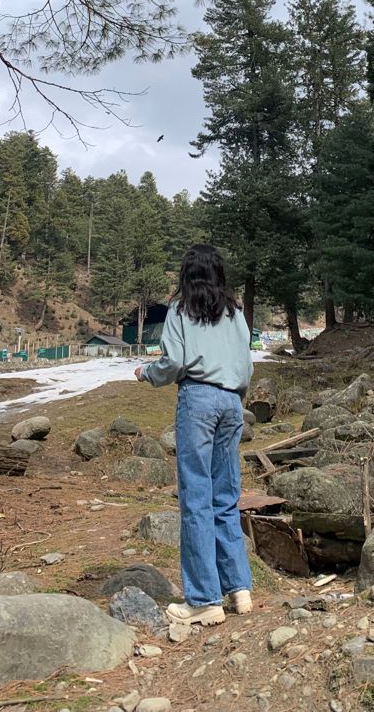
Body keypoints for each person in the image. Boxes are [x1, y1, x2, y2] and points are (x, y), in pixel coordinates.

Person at [135, 243, 254, 626]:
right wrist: (234, 396)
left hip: (198, 400)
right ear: (219, 273)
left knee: (196, 498)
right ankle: (239, 589)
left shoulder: (181, 310)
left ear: (187, 274)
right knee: (225, 496)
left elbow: (174, 362)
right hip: (232, 402)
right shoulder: (235, 312)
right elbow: (246, 364)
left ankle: (204, 598)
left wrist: (146, 374)